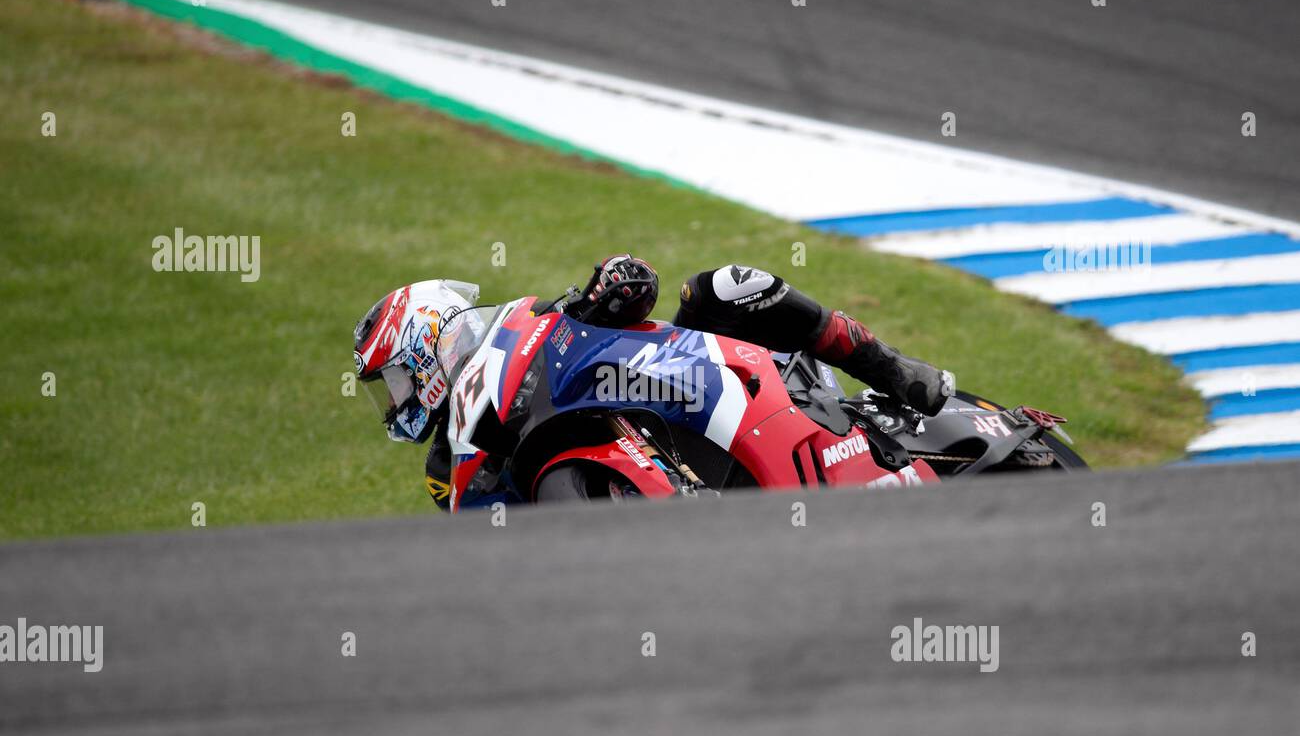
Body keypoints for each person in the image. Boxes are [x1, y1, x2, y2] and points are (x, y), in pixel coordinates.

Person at [353, 255, 953, 505]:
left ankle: (893, 369)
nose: (395, 400)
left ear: (429, 345)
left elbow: (633, 288)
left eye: (396, 380)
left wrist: (606, 290)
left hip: (693, 376)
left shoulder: (524, 333)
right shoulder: (445, 471)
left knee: (721, 286)